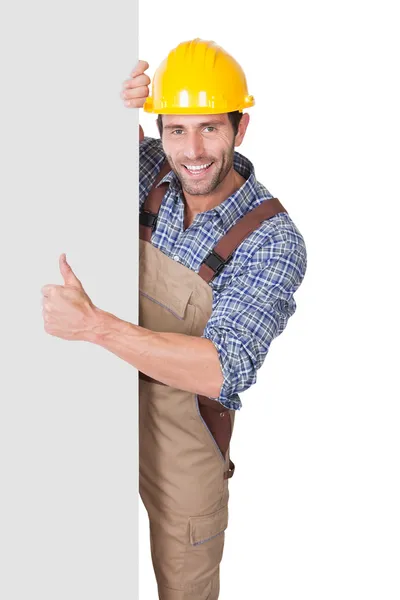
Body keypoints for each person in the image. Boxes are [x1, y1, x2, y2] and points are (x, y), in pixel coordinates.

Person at [41, 38, 307, 600]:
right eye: (177, 130)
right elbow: (57, 142)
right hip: (92, 415)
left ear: (241, 128)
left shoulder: (272, 240)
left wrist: (96, 326)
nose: (193, 151)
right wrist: (105, 97)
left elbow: (223, 369)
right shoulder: (149, 170)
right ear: (160, 131)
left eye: (211, 128)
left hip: (184, 448)